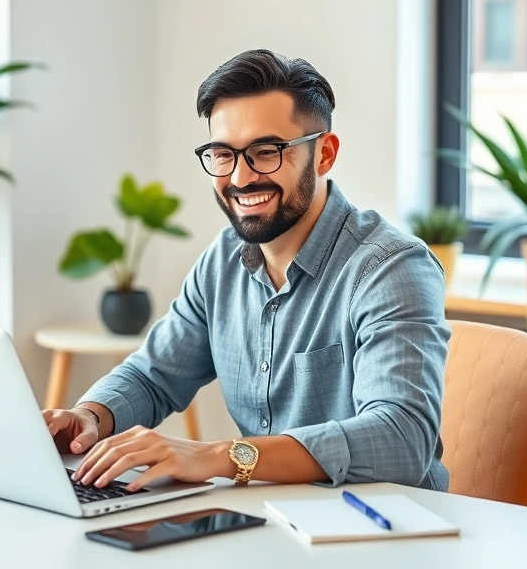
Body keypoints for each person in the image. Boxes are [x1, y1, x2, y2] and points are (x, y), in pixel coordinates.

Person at [43, 49, 450, 492]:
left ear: (324, 154)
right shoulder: (224, 259)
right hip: (266, 520)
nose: (240, 177)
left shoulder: (390, 268)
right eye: (223, 154)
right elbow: (154, 375)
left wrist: (218, 456)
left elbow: (401, 439)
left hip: (384, 534)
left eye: (266, 151)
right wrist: (90, 416)